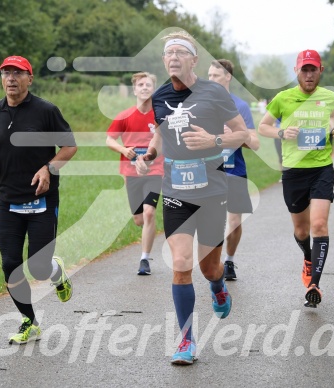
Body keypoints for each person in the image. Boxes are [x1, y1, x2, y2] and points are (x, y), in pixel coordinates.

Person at [135, 31, 249, 365]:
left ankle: (217, 286)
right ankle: (186, 340)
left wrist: (214, 140)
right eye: (167, 52)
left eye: (180, 52)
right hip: (175, 191)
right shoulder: (159, 97)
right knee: (181, 264)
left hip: (213, 192)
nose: (173, 56)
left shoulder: (214, 92)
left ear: (194, 60)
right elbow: (160, 129)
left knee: (209, 267)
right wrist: (151, 152)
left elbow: (242, 133)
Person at [0, 56, 77, 344]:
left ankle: (56, 271)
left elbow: (69, 146)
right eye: (6, 73)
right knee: (10, 263)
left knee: (39, 266)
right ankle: (29, 321)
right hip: (8, 200)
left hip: (42, 200)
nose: (11, 78)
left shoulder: (46, 111)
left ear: (29, 79)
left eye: (17, 73)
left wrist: (49, 168)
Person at [258, 49, 334, 308]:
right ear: (296, 71)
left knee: (319, 225)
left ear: (321, 71)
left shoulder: (328, 97)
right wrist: (282, 132)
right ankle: (308, 257)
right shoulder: (283, 98)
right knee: (301, 230)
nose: (309, 74)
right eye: (304, 70)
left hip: (321, 169)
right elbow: (263, 127)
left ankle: (314, 284)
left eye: (313, 69)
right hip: (294, 172)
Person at [106, 72, 163, 275]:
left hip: (155, 171)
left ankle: (144, 259)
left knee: (149, 212)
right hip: (131, 173)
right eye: (141, 84)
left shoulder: (159, 115)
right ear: (135, 89)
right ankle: (148, 229)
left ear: (153, 89)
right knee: (139, 219)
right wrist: (124, 150)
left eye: (149, 84)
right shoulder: (125, 115)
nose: (145, 87)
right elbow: (109, 140)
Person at [207, 59, 260, 281]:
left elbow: (255, 143)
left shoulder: (241, 107)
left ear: (228, 77)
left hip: (234, 169)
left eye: (216, 76)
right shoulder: (202, 105)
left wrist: (239, 135)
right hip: (209, 171)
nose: (211, 80)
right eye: (208, 77)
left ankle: (229, 260)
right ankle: (212, 263)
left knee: (235, 221)